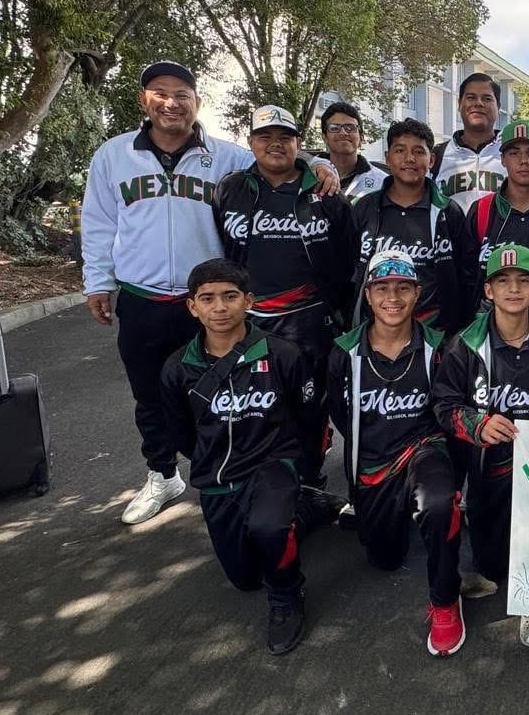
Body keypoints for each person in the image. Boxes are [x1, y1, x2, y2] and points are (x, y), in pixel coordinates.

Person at [81, 60, 338, 525]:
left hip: (214, 301)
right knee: (150, 393)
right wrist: (97, 280)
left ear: (197, 101)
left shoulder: (225, 156)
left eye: (181, 93)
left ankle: (232, 472)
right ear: (145, 100)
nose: (171, 102)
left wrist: (319, 162)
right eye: (160, 92)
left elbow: (278, 161)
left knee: (233, 393)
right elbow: (99, 222)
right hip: (143, 296)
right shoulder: (114, 155)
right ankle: (162, 474)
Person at [160, 259, 316, 655]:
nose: (220, 307)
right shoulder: (178, 368)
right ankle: (304, 513)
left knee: (269, 529)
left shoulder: (283, 354)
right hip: (217, 477)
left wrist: (293, 464)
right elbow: (180, 432)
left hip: (272, 464)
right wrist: (207, 459)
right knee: (245, 577)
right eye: (207, 299)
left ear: (248, 300)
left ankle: (286, 595)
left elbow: (309, 416)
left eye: (230, 297)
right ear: (192, 307)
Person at [212, 104, 358, 501]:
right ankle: (265, 482)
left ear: (298, 143)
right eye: (265, 137)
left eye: (285, 137)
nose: (275, 144)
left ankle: (310, 481)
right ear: (251, 143)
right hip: (252, 322)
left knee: (311, 405)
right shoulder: (231, 189)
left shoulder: (324, 192)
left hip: (310, 321)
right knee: (258, 406)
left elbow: (349, 260)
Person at [326, 249, 465, 657]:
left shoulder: (440, 347)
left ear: (417, 293)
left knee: (439, 503)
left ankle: (445, 599)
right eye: (382, 288)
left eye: (403, 288)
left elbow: (449, 410)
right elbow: (340, 412)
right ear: (368, 295)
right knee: (383, 558)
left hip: (424, 449)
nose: (393, 297)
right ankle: (341, 507)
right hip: (372, 464)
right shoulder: (344, 352)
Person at [430, 243, 529, 648]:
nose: (513, 289)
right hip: (492, 467)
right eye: (502, 281)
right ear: (488, 291)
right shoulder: (463, 345)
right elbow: (443, 405)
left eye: (523, 280)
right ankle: (495, 560)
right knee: (492, 561)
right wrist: (477, 424)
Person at [351, 118, 469, 336]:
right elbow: (348, 271)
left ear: (431, 159)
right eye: (400, 150)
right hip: (376, 333)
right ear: (387, 158)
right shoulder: (365, 209)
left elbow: (465, 274)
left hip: (435, 334)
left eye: (418, 151)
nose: (409, 158)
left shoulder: (448, 212)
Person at [463, 118, 529, 331]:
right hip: (490, 330)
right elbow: (467, 275)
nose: (524, 160)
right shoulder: (483, 210)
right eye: (514, 153)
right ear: (502, 159)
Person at [431, 73, 529, 212]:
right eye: (471, 97)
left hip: (505, 233)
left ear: (498, 107)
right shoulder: (438, 155)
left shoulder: (514, 153)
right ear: (459, 104)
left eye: (487, 98)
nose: (478, 103)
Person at [318, 101, 387, 202]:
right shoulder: (309, 173)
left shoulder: (382, 182)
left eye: (350, 128)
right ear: (324, 137)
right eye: (334, 128)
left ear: (361, 138)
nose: (343, 132)